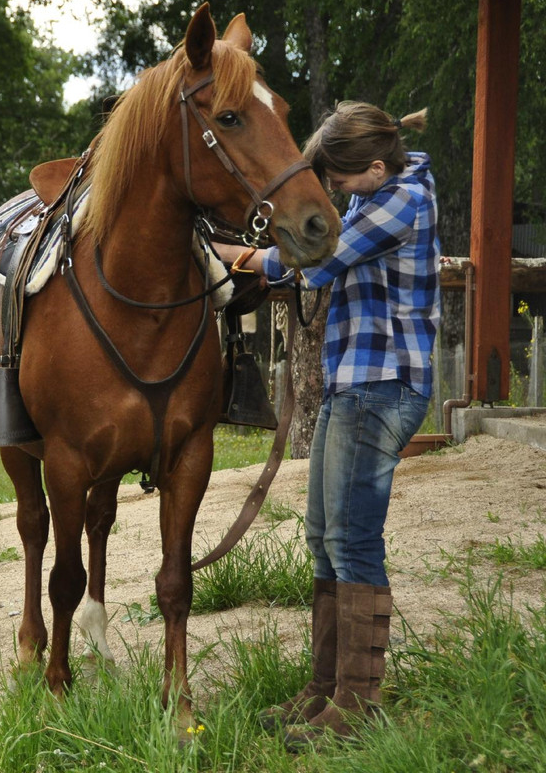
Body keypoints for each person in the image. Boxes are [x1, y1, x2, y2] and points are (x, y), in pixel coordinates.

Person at [212, 101, 440, 748]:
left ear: (372, 166)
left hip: (383, 384)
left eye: (339, 181)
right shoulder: (375, 188)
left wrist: (234, 254)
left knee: (354, 539)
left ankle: (358, 706)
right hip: (353, 382)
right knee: (323, 534)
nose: (333, 192)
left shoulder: (403, 202)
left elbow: (317, 257)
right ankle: (325, 690)